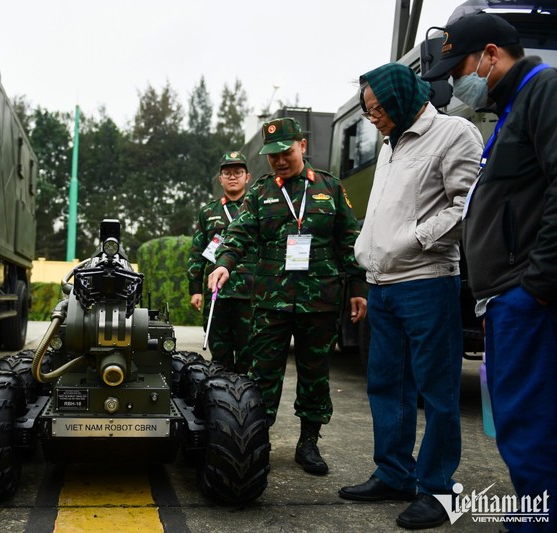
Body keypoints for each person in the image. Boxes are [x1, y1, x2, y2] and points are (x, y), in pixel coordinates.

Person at [422, 13, 557, 531]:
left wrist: (538, 285)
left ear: (493, 56)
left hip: (527, 299)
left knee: (529, 426)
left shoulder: (544, 92)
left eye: (461, 72)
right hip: (509, 298)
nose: (457, 84)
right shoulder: (514, 108)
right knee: (519, 423)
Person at [337, 63, 483, 530]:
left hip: (427, 280)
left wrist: (415, 239)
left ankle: (437, 489)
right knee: (386, 385)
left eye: (377, 108)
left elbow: (467, 206)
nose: (372, 117)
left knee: (436, 389)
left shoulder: (453, 132)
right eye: (367, 110)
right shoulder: (389, 144)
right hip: (383, 284)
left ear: (400, 97)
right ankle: (394, 472)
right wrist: (369, 250)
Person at [207, 117, 367, 476]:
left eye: (286, 152)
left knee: (315, 374)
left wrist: (358, 289)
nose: (279, 160)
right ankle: (256, 440)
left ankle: (308, 443)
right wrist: (225, 264)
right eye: (272, 155)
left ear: (303, 147)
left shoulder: (330, 187)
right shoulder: (261, 192)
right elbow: (238, 235)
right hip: (271, 300)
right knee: (261, 375)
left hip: (320, 301)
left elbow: (349, 241)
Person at [187, 151, 255, 373]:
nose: (233, 177)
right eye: (227, 173)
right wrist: (195, 289)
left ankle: (246, 403)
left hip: (250, 294)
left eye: (238, 172)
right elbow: (198, 252)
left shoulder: (258, 208)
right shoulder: (208, 212)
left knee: (249, 353)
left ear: (248, 176)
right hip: (218, 294)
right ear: (220, 179)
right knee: (220, 355)